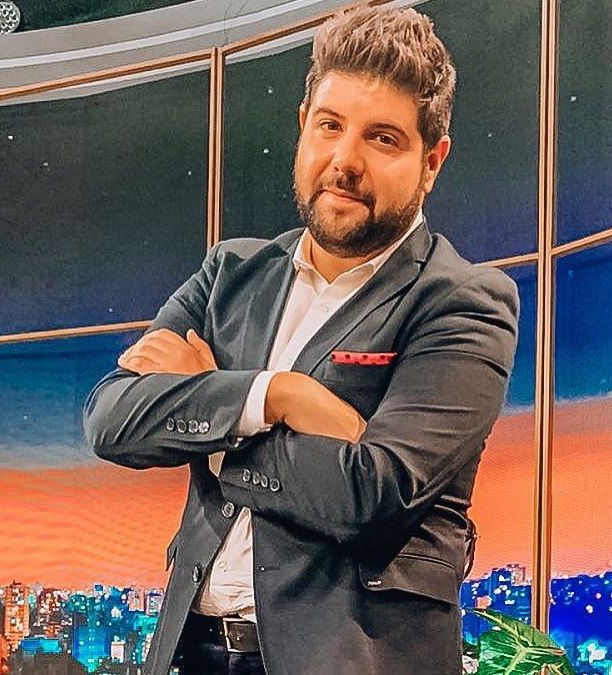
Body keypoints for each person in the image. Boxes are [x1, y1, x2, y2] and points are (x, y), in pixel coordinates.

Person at [83, 5, 519, 674]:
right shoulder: (230, 274)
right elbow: (112, 419)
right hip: (190, 652)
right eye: (330, 126)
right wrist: (276, 395)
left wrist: (216, 422)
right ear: (303, 126)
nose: (344, 161)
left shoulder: (463, 301)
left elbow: (374, 492)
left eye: (382, 139)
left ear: (432, 162)